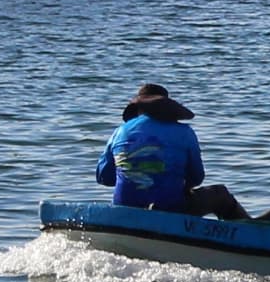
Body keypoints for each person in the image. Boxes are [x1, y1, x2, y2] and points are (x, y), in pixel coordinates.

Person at [94, 84, 258, 219]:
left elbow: (103, 177)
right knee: (220, 194)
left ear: (137, 109)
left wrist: (133, 176)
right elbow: (197, 177)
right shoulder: (185, 133)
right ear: (167, 109)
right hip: (170, 210)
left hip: (124, 210)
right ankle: (248, 231)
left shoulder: (119, 132)